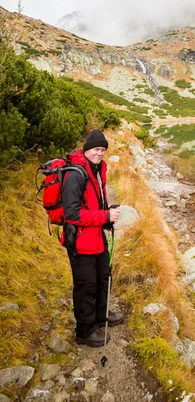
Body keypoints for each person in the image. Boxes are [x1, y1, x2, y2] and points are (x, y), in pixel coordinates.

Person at [61, 129, 124, 346]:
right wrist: (104, 215)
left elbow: (92, 202)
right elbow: (71, 213)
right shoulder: (75, 174)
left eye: (103, 150)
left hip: (96, 234)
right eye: (96, 149)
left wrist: (105, 218)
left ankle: (101, 315)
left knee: (102, 276)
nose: (100, 153)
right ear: (87, 149)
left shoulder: (95, 169)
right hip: (80, 240)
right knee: (86, 284)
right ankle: (85, 332)